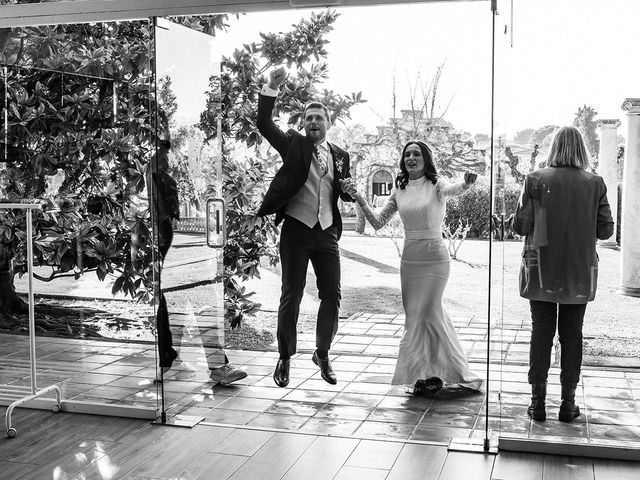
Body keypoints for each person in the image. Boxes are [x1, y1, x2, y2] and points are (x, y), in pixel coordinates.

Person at [341, 141, 483, 395]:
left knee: (428, 312)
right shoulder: (400, 188)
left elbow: (454, 190)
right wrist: (359, 198)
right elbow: (378, 222)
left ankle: (438, 372)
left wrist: (467, 184)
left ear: (426, 159)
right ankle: (423, 374)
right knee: (416, 317)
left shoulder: (436, 185)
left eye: (416, 153)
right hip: (411, 259)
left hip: (435, 257)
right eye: (407, 154)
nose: (411, 157)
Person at [256, 67, 354, 387]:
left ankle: (322, 354)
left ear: (328, 124)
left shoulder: (341, 155)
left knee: (332, 295)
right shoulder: (293, 144)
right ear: (304, 123)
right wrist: (272, 87)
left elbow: (342, 190)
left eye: (319, 118)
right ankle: (284, 357)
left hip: (326, 231)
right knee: (291, 294)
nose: (314, 122)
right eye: (309, 117)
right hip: (296, 229)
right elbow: (264, 124)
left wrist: (349, 193)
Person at [512, 126, 613, 422]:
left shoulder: (534, 179)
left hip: (541, 268)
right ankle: (568, 404)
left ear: (552, 147)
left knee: (540, 333)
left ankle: (537, 402)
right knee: (572, 335)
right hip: (578, 272)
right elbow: (606, 230)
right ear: (582, 148)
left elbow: (520, 227)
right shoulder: (596, 184)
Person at [148, 139, 247, 386]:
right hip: (181, 246)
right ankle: (216, 367)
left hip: (173, 244)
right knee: (202, 303)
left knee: (172, 304)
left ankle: (170, 362)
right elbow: (176, 217)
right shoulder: (166, 179)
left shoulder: (159, 175)